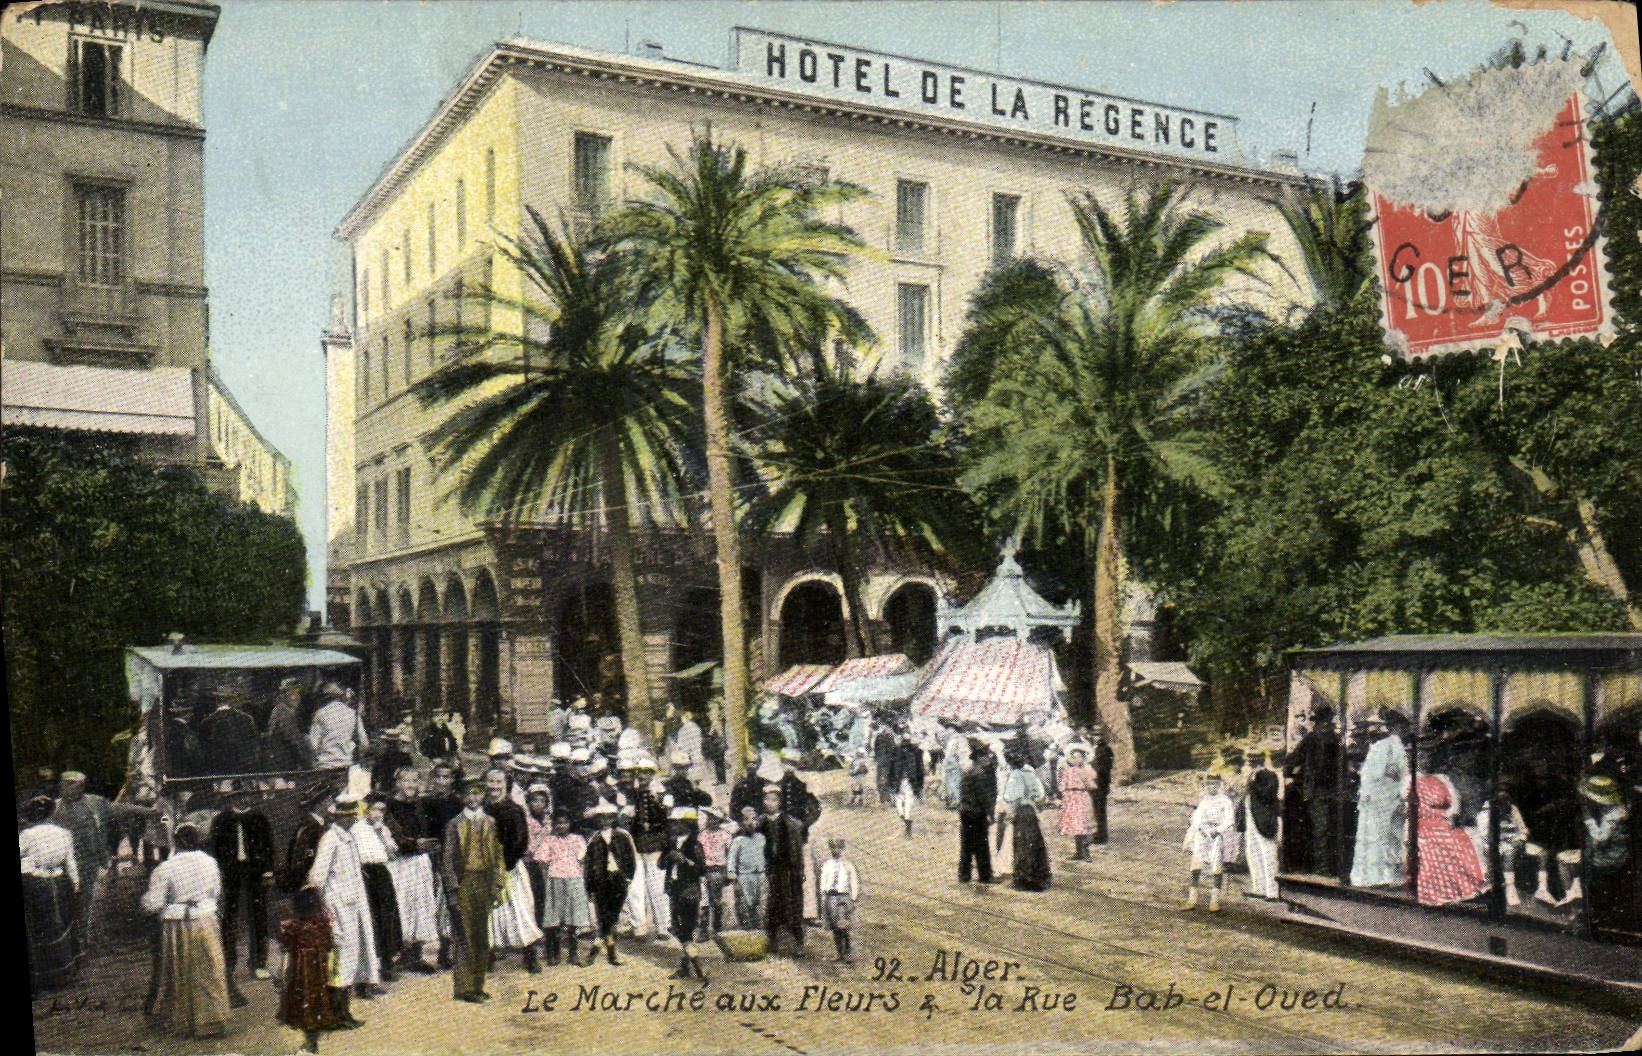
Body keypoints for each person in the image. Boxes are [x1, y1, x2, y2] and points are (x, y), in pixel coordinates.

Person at [141, 823, 231, 1038]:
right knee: (209, 968)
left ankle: (184, 1022)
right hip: (205, 919)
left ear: (176, 842)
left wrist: (143, 903)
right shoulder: (210, 863)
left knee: (179, 971)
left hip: (177, 923)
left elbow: (154, 903)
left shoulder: (165, 868)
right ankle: (212, 1021)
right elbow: (215, 892)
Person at [308, 795, 379, 1015]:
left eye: (353, 816)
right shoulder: (330, 839)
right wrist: (326, 911)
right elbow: (317, 878)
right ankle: (339, 1011)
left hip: (354, 903)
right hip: (338, 905)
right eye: (348, 816)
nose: (352, 820)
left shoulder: (348, 837)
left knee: (354, 953)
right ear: (338, 817)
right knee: (341, 955)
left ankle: (344, 1008)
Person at [443, 780, 507, 1003]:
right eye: (468, 794)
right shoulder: (454, 824)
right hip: (464, 882)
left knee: (481, 935)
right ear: (462, 797)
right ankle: (464, 988)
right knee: (464, 934)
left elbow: (498, 855)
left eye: (477, 794)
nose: (473, 798)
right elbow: (448, 859)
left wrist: (498, 884)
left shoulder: (490, 822)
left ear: (483, 797)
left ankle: (478, 984)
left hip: (484, 881)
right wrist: (452, 890)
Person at [209, 794, 275, 1001]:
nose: (244, 800)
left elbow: (268, 846)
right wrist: (218, 871)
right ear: (230, 800)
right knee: (229, 917)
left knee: (258, 915)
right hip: (231, 873)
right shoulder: (221, 820)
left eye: (247, 796)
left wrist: (268, 870)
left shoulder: (259, 818)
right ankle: (229, 963)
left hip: (255, 871)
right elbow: (215, 849)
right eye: (239, 797)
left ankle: (258, 962)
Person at [382, 766, 440, 973]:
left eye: (415, 781)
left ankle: (420, 955)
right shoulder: (388, 805)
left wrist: (426, 844)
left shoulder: (419, 804)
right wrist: (414, 844)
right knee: (401, 903)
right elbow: (392, 834)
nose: (411, 785)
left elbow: (427, 829)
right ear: (397, 782)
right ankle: (397, 955)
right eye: (406, 781)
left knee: (422, 903)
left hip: (419, 861)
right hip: (400, 862)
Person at [483, 767, 543, 967]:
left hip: (509, 868)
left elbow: (520, 842)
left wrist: (504, 865)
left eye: (498, 782)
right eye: (490, 782)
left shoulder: (514, 809)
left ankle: (530, 954)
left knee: (519, 910)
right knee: (489, 913)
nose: (494, 786)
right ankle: (488, 955)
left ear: (506, 785)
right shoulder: (481, 808)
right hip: (485, 868)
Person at [21, 795, 81, 991]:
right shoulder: (63, 833)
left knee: (37, 927)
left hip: (33, 883)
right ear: (51, 813)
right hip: (58, 881)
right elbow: (70, 862)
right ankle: (63, 972)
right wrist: (75, 884)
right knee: (59, 923)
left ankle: (42, 976)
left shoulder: (27, 835)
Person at [278, 886, 346, 1053]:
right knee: (319, 1006)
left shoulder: (293, 927)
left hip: (301, 974)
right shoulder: (323, 923)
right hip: (321, 973)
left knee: (304, 1008)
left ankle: (309, 1044)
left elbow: (286, 950)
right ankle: (313, 1041)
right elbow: (332, 945)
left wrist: (282, 973)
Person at [54, 771, 112, 954]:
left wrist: (150, 812)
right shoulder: (54, 808)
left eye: (73, 785)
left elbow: (117, 809)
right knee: (66, 901)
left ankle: (82, 939)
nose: (65, 789)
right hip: (63, 865)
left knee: (85, 901)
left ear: (80, 786)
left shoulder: (94, 803)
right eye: (64, 785)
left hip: (88, 862)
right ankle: (70, 940)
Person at [1350, 711, 1410, 889]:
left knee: (1385, 835)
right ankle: (1379, 876)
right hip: (1383, 797)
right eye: (1401, 727)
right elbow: (1384, 773)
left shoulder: (1388, 746)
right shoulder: (1388, 746)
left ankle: (1381, 874)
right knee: (1382, 836)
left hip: (1385, 797)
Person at [1413, 769, 1486, 906]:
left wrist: (1449, 814)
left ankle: (1468, 886)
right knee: (1441, 843)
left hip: (1443, 820)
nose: (1425, 761)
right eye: (1422, 756)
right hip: (1421, 822)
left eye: (1428, 756)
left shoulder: (1441, 779)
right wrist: (1435, 812)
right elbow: (1412, 806)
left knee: (1462, 838)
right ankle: (1442, 890)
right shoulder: (1411, 780)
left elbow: (1454, 802)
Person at [419, 762, 463, 970]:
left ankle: (448, 949)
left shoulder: (458, 803)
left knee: (449, 903)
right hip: (431, 856)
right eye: (438, 777)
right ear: (432, 779)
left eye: (447, 777)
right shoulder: (425, 802)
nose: (442, 782)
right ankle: (423, 953)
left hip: (451, 857)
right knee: (430, 902)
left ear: (453, 780)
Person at [582, 801, 637, 965]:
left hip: (618, 879)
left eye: (607, 818)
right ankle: (609, 952)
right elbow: (589, 865)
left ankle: (599, 945)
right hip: (601, 880)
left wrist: (628, 877)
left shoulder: (622, 836)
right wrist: (590, 886)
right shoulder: (594, 839)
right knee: (604, 914)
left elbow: (630, 858)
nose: (604, 821)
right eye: (600, 819)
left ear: (613, 819)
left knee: (612, 915)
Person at [357, 794, 404, 982]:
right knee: (372, 918)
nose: (379, 814)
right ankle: (371, 968)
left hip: (382, 872)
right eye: (376, 809)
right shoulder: (357, 829)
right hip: (365, 874)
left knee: (388, 917)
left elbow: (393, 854)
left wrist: (381, 835)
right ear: (367, 809)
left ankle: (387, 962)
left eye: (382, 810)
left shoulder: (382, 829)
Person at [535, 808, 591, 966]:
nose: (561, 826)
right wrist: (546, 877)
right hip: (555, 879)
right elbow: (541, 860)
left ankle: (573, 953)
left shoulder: (578, 839)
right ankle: (554, 953)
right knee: (554, 916)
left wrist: (583, 879)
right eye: (558, 823)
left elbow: (582, 859)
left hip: (574, 879)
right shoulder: (549, 840)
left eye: (565, 822)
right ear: (554, 824)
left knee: (573, 917)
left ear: (570, 823)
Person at [1288, 705, 1339, 873]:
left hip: (1318, 791)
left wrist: (1292, 773)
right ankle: (1325, 866)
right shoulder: (1335, 739)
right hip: (1330, 791)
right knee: (1325, 828)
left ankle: (1322, 867)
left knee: (1320, 829)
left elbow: (1293, 759)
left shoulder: (1313, 738)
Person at [661, 808, 709, 982]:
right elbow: (660, 864)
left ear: (687, 825)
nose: (673, 826)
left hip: (689, 890)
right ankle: (686, 967)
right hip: (674, 889)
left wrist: (684, 860)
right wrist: (668, 857)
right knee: (676, 926)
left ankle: (697, 966)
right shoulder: (671, 842)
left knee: (686, 929)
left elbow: (701, 869)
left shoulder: (695, 844)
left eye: (676, 822)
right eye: (672, 823)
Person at [761, 785, 808, 956]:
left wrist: (799, 869)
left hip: (788, 871)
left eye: (774, 800)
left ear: (780, 802)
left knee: (792, 905)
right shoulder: (761, 822)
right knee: (772, 906)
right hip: (770, 870)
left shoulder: (791, 823)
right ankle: (772, 942)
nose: (770, 803)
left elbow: (797, 850)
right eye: (767, 799)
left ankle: (798, 942)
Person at [1182, 772, 1238, 912]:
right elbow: (1197, 819)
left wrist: (1218, 830)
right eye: (1208, 784)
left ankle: (1214, 901)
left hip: (1216, 835)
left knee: (1216, 868)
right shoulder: (1204, 801)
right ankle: (1191, 900)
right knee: (1196, 867)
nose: (1211, 787)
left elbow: (1229, 819)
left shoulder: (1225, 801)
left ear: (1219, 785)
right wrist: (1200, 830)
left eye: (1214, 784)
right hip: (1202, 835)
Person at [1001, 748, 1052, 892]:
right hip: (1031, 812)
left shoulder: (1015, 776)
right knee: (1034, 843)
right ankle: (1039, 876)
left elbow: (1015, 797)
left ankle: (1025, 878)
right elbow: (1040, 796)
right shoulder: (1030, 774)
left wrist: (1011, 813)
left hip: (1021, 812)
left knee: (1023, 844)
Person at [279, 784, 336, 893]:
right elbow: (302, 859)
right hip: (311, 885)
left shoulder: (316, 825)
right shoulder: (311, 827)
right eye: (329, 801)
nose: (331, 806)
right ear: (320, 804)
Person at [957, 743, 998, 885]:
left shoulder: (968, 770)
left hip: (965, 810)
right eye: (985, 756)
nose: (988, 759)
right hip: (976, 812)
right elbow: (983, 796)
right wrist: (990, 813)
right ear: (979, 757)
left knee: (967, 845)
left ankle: (964, 875)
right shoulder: (980, 774)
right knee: (982, 845)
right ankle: (985, 876)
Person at [1243, 754, 1281, 900]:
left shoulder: (1270, 775)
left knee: (1268, 853)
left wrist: (1253, 783)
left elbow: (1267, 794)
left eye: (1254, 763)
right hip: (1252, 819)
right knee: (1253, 852)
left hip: (1264, 820)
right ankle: (1258, 888)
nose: (1252, 766)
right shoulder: (1251, 776)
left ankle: (1272, 891)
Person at [818, 837, 861, 964]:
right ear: (830, 848)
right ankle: (839, 953)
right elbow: (823, 879)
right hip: (831, 897)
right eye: (832, 848)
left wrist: (853, 898)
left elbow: (854, 881)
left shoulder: (848, 865)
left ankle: (847, 952)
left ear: (842, 849)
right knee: (835, 926)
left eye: (838, 848)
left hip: (843, 896)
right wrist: (823, 892)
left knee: (843, 925)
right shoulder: (827, 864)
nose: (835, 850)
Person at [198, 695, 262, 776]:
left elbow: (203, 747)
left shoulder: (207, 722)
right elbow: (254, 740)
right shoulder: (247, 718)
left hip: (219, 765)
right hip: (244, 763)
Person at [726, 806, 767, 931]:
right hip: (744, 875)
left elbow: (767, 854)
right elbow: (732, 857)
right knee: (744, 902)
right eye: (746, 820)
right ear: (741, 823)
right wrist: (731, 872)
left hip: (760, 874)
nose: (750, 823)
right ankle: (746, 927)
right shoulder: (738, 840)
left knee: (759, 901)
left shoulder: (761, 838)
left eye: (753, 820)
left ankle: (759, 926)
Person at [309, 686, 367, 770]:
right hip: (346, 766)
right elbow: (364, 744)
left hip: (324, 766)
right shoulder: (353, 714)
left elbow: (313, 745)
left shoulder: (320, 714)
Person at [1058, 743, 1099, 860]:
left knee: (1084, 824)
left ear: (1084, 758)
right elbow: (1062, 785)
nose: (1077, 760)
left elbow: (1092, 784)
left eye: (1079, 757)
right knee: (1075, 825)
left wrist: (1086, 777)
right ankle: (1079, 851)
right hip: (1071, 798)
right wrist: (1063, 797)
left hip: (1082, 797)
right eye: (1074, 757)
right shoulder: (1067, 770)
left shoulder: (1086, 769)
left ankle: (1086, 851)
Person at [696, 807, 732, 939]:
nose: (711, 821)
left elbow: (729, 854)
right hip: (705, 869)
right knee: (704, 900)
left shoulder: (725, 835)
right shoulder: (702, 835)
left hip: (718, 869)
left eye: (715, 819)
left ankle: (717, 927)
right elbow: (699, 852)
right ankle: (704, 929)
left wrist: (728, 871)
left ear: (719, 821)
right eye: (710, 818)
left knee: (716, 900)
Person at [267, 679, 317, 772]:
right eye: (292, 693)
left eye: (298, 693)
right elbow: (296, 742)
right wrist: (309, 765)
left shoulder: (280, 710)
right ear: (283, 695)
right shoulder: (284, 713)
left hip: (282, 764)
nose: (297, 697)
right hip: (287, 766)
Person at [893, 729, 924, 838]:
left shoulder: (897, 753)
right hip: (909, 781)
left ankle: (906, 822)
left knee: (900, 801)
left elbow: (892, 769)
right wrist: (920, 786)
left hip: (901, 781)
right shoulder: (916, 753)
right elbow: (920, 770)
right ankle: (907, 822)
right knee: (907, 802)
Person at [370, 726, 415, 795]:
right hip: (397, 790)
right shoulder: (404, 757)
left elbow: (374, 778)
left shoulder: (381, 756)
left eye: (393, 743)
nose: (392, 745)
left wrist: (374, 788)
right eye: (391, 743)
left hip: (390, 789)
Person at [1090, 729, 1115, 844]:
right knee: (1094, 810)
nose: (1096, 737)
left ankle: (1101, 836)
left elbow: (1105, 769)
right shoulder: (1092, 749)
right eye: (1095, 735)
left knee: (1099, 811)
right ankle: (1097, 834)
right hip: (1093, 784)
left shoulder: (1105, 750)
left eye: (1099, 735)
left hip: (1100, 784)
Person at [872, 721, 899, 805]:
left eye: (885, 727)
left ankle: (887, 799)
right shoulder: (885, 737)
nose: (884, 729)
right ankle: (887, 799)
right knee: (885, 780)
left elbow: (876, 749)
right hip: (885, 761)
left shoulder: (882, 737)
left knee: (883, 780)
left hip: (885, 761)